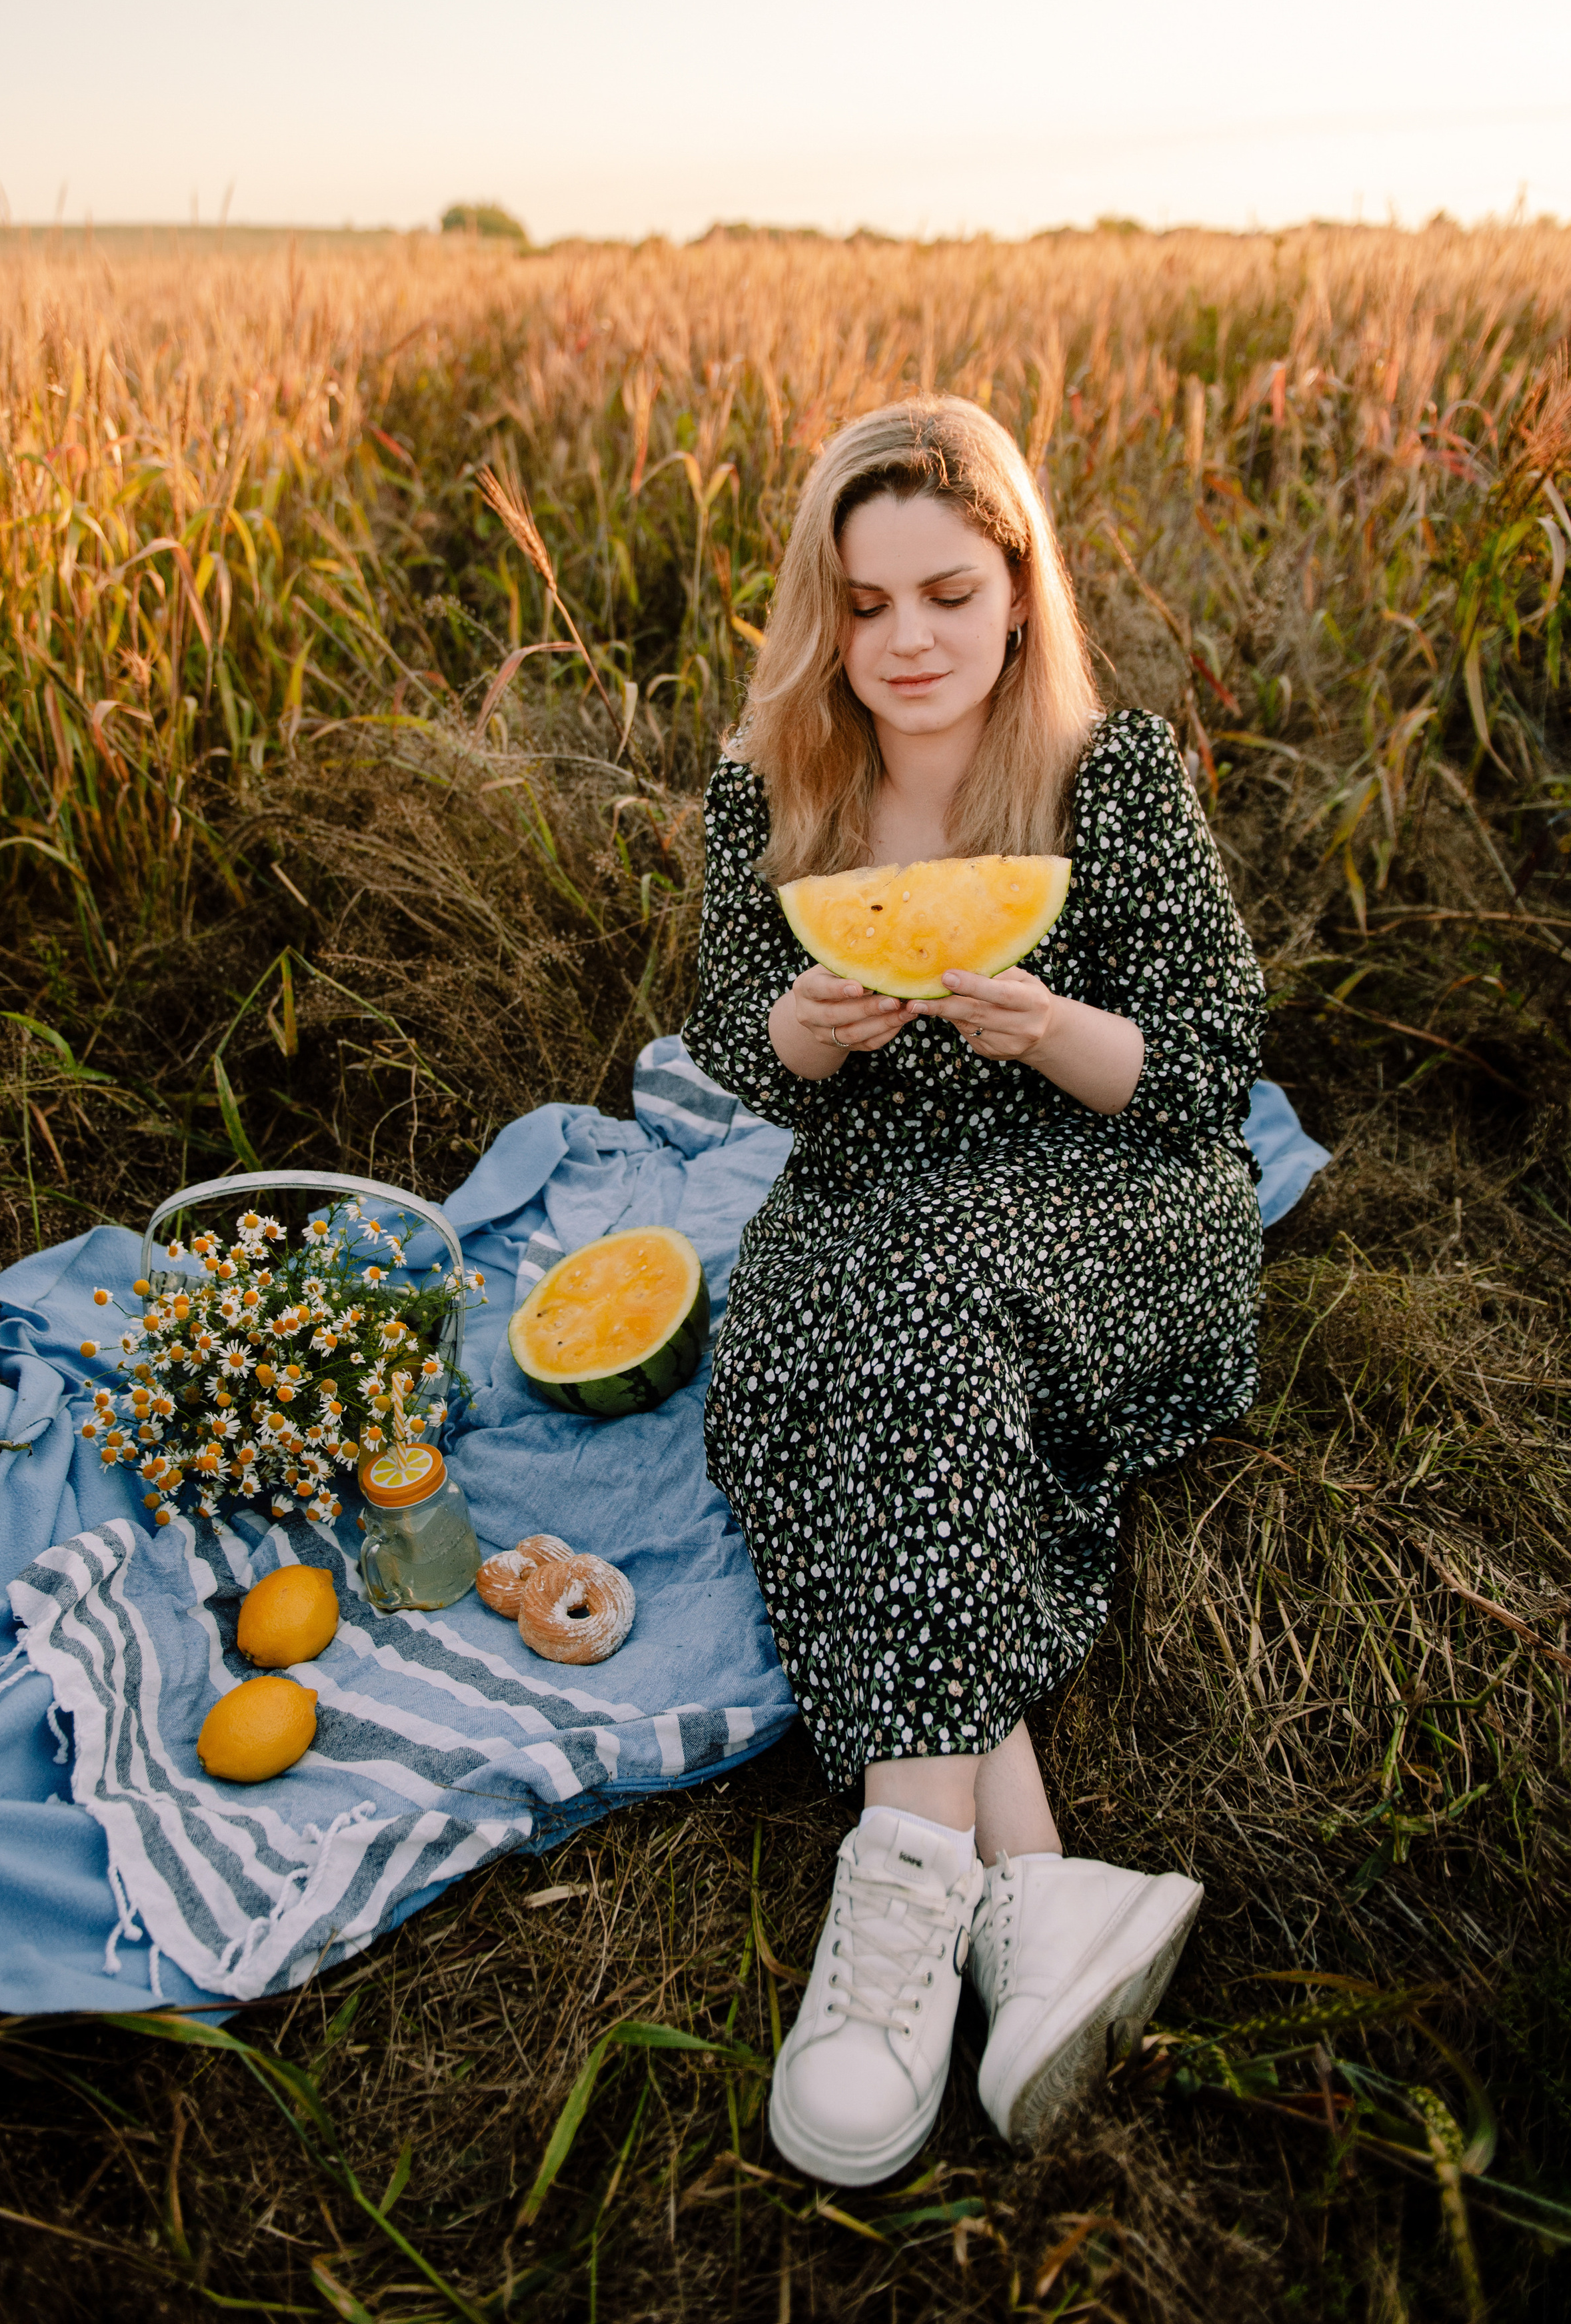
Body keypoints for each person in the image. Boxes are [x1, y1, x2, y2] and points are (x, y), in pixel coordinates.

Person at [681, 395, 1266, 2187]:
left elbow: (1211, 1062)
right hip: (876, 1175)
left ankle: (891, 1911)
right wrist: (792, 1023)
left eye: (947, 591)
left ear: (1019, 586)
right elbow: (735, 1040)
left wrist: (1053, 1027)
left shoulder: (1117, 774)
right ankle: (1031, 1890)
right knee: (774, 1343)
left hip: (1110, 1194)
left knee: (921, 1321)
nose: (907, 642)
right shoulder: (768, 783)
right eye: (865, 605)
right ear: (822, 609)